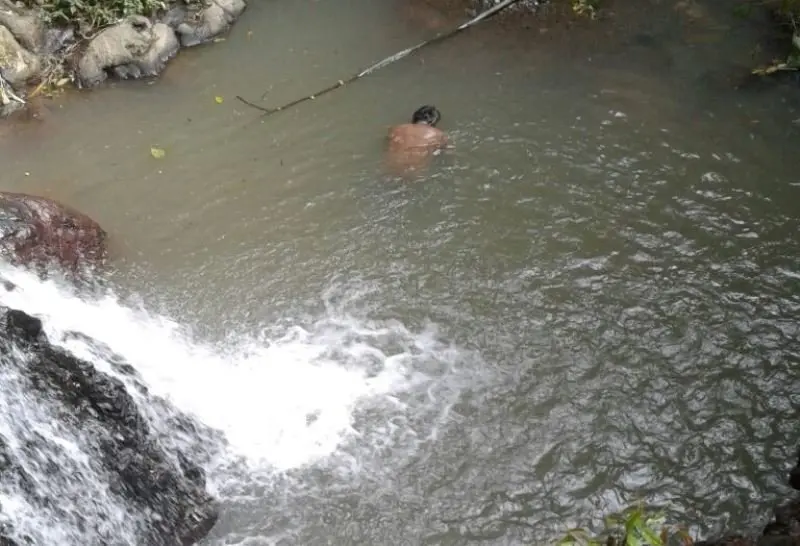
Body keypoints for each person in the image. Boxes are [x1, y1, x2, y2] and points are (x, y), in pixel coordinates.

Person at [385, 105, 448, 174]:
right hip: (415, 172)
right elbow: (443, 154)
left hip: (390, 168)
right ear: (433, 121)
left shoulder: (396, 129)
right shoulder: (438, 135)